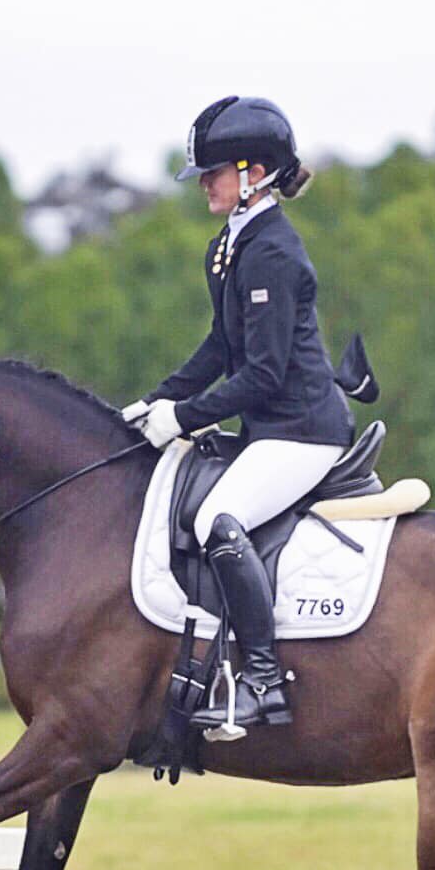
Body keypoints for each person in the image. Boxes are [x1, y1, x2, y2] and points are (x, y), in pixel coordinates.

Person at [121, 96, 355, 736]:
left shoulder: (275, 252)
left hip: (305, 432)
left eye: (214, 172)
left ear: (255, 174)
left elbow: (264, 374)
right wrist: (159, 400)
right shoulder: (227, 248)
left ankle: (262, 680)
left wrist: (187, 417)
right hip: (270, 428)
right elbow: (221, 348)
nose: (203, 183)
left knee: (217, 522)